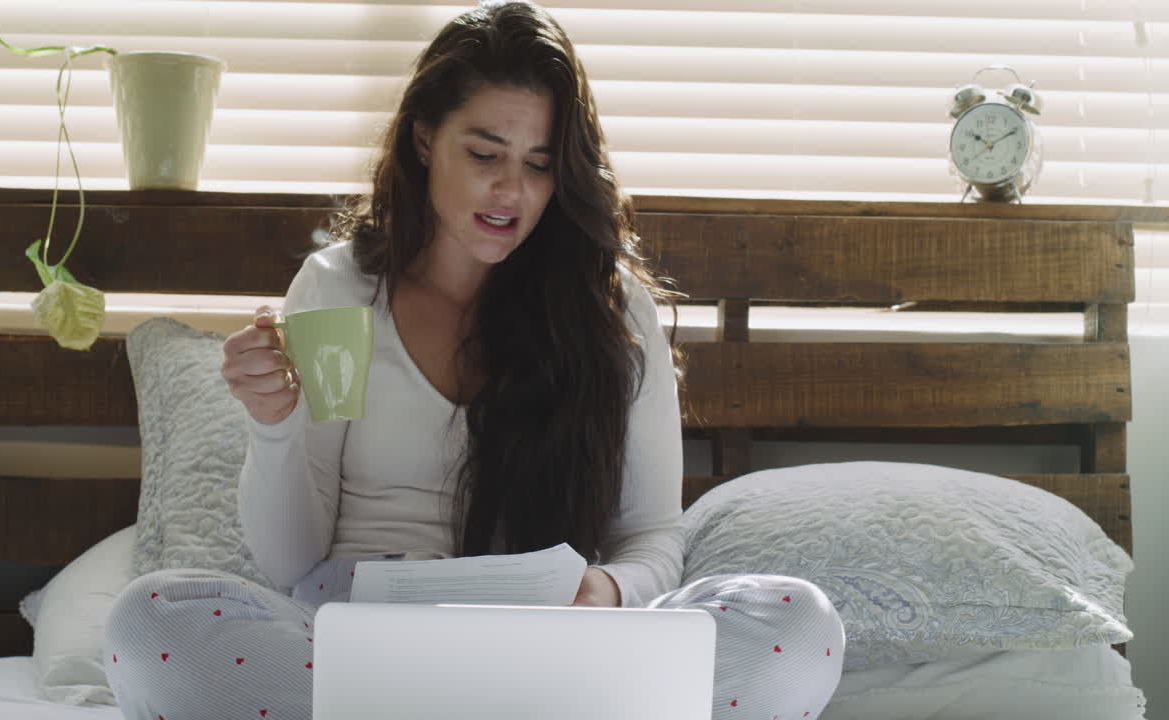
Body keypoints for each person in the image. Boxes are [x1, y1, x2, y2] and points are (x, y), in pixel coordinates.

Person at [103, 2, 844, 718]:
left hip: (554, 643)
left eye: (539, 164)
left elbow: (651, 533)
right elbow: (289, 563)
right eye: (485, 153)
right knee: (152, 623)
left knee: (797, 625)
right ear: (424, 138)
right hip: (367, 642)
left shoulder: (610, 309)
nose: (510, 191)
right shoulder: (339, 291)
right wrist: (274, 426)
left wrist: (609, 591)